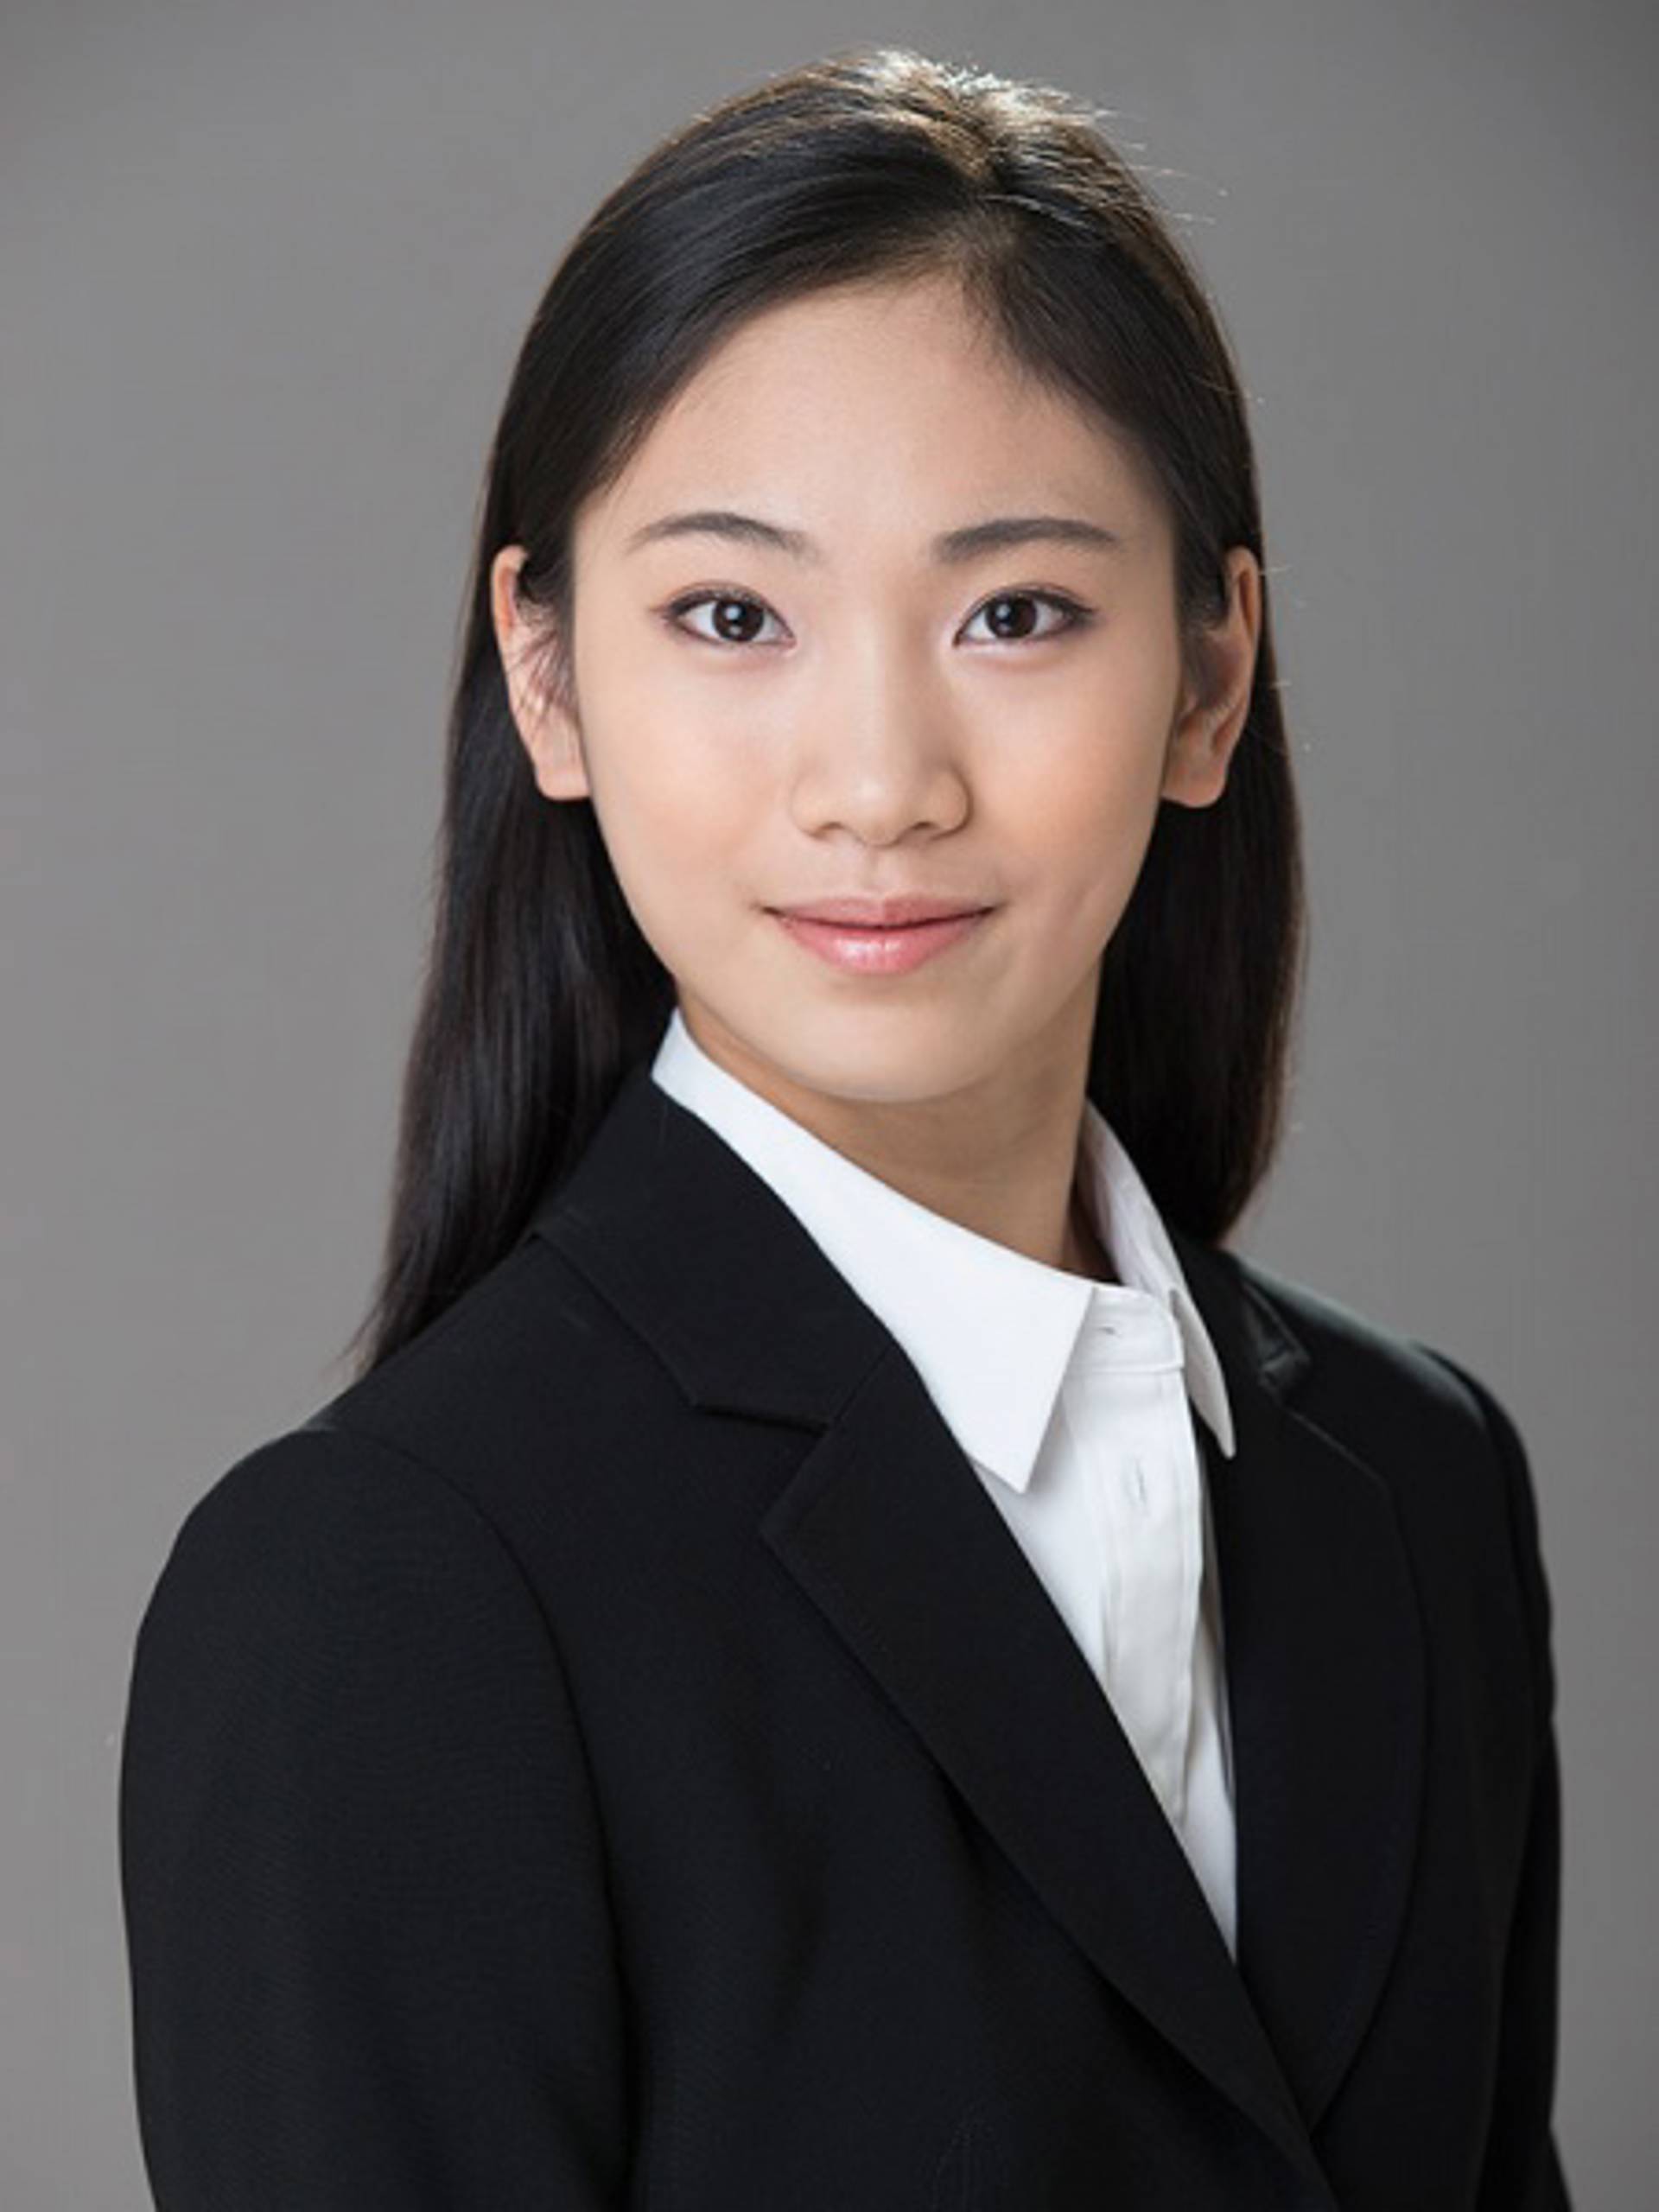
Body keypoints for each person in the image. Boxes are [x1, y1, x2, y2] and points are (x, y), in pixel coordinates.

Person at [117, 44, 1571, 2210]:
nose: (880, 779)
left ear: (1209, 677)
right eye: (733, 615)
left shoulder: (1418, 1479)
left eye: (1015, 612)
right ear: (549, 681)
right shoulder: (385, 1596)